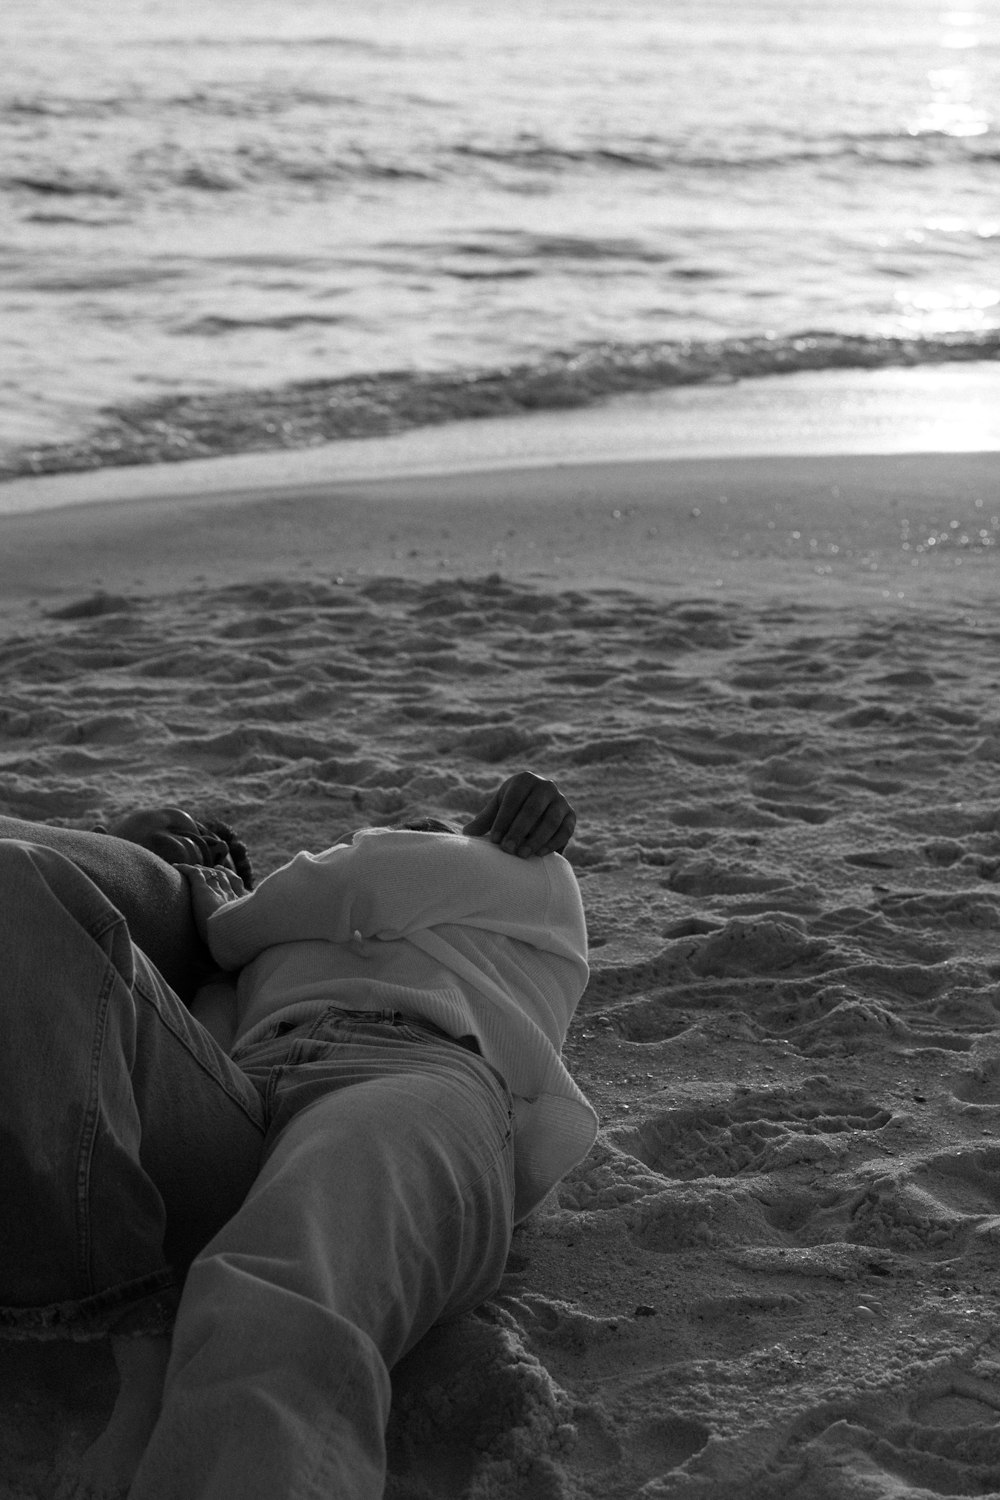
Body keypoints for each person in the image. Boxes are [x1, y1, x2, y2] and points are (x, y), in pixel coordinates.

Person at [0, 772, 597, 1500]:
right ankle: (136, 1328)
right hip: (245, 1091)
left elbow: (369, 875)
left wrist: (216, 909)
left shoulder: (527, 876)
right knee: (14, 881)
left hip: (414, 1073)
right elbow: (152, 1033)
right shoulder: (260, 951)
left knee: (282, 1285)